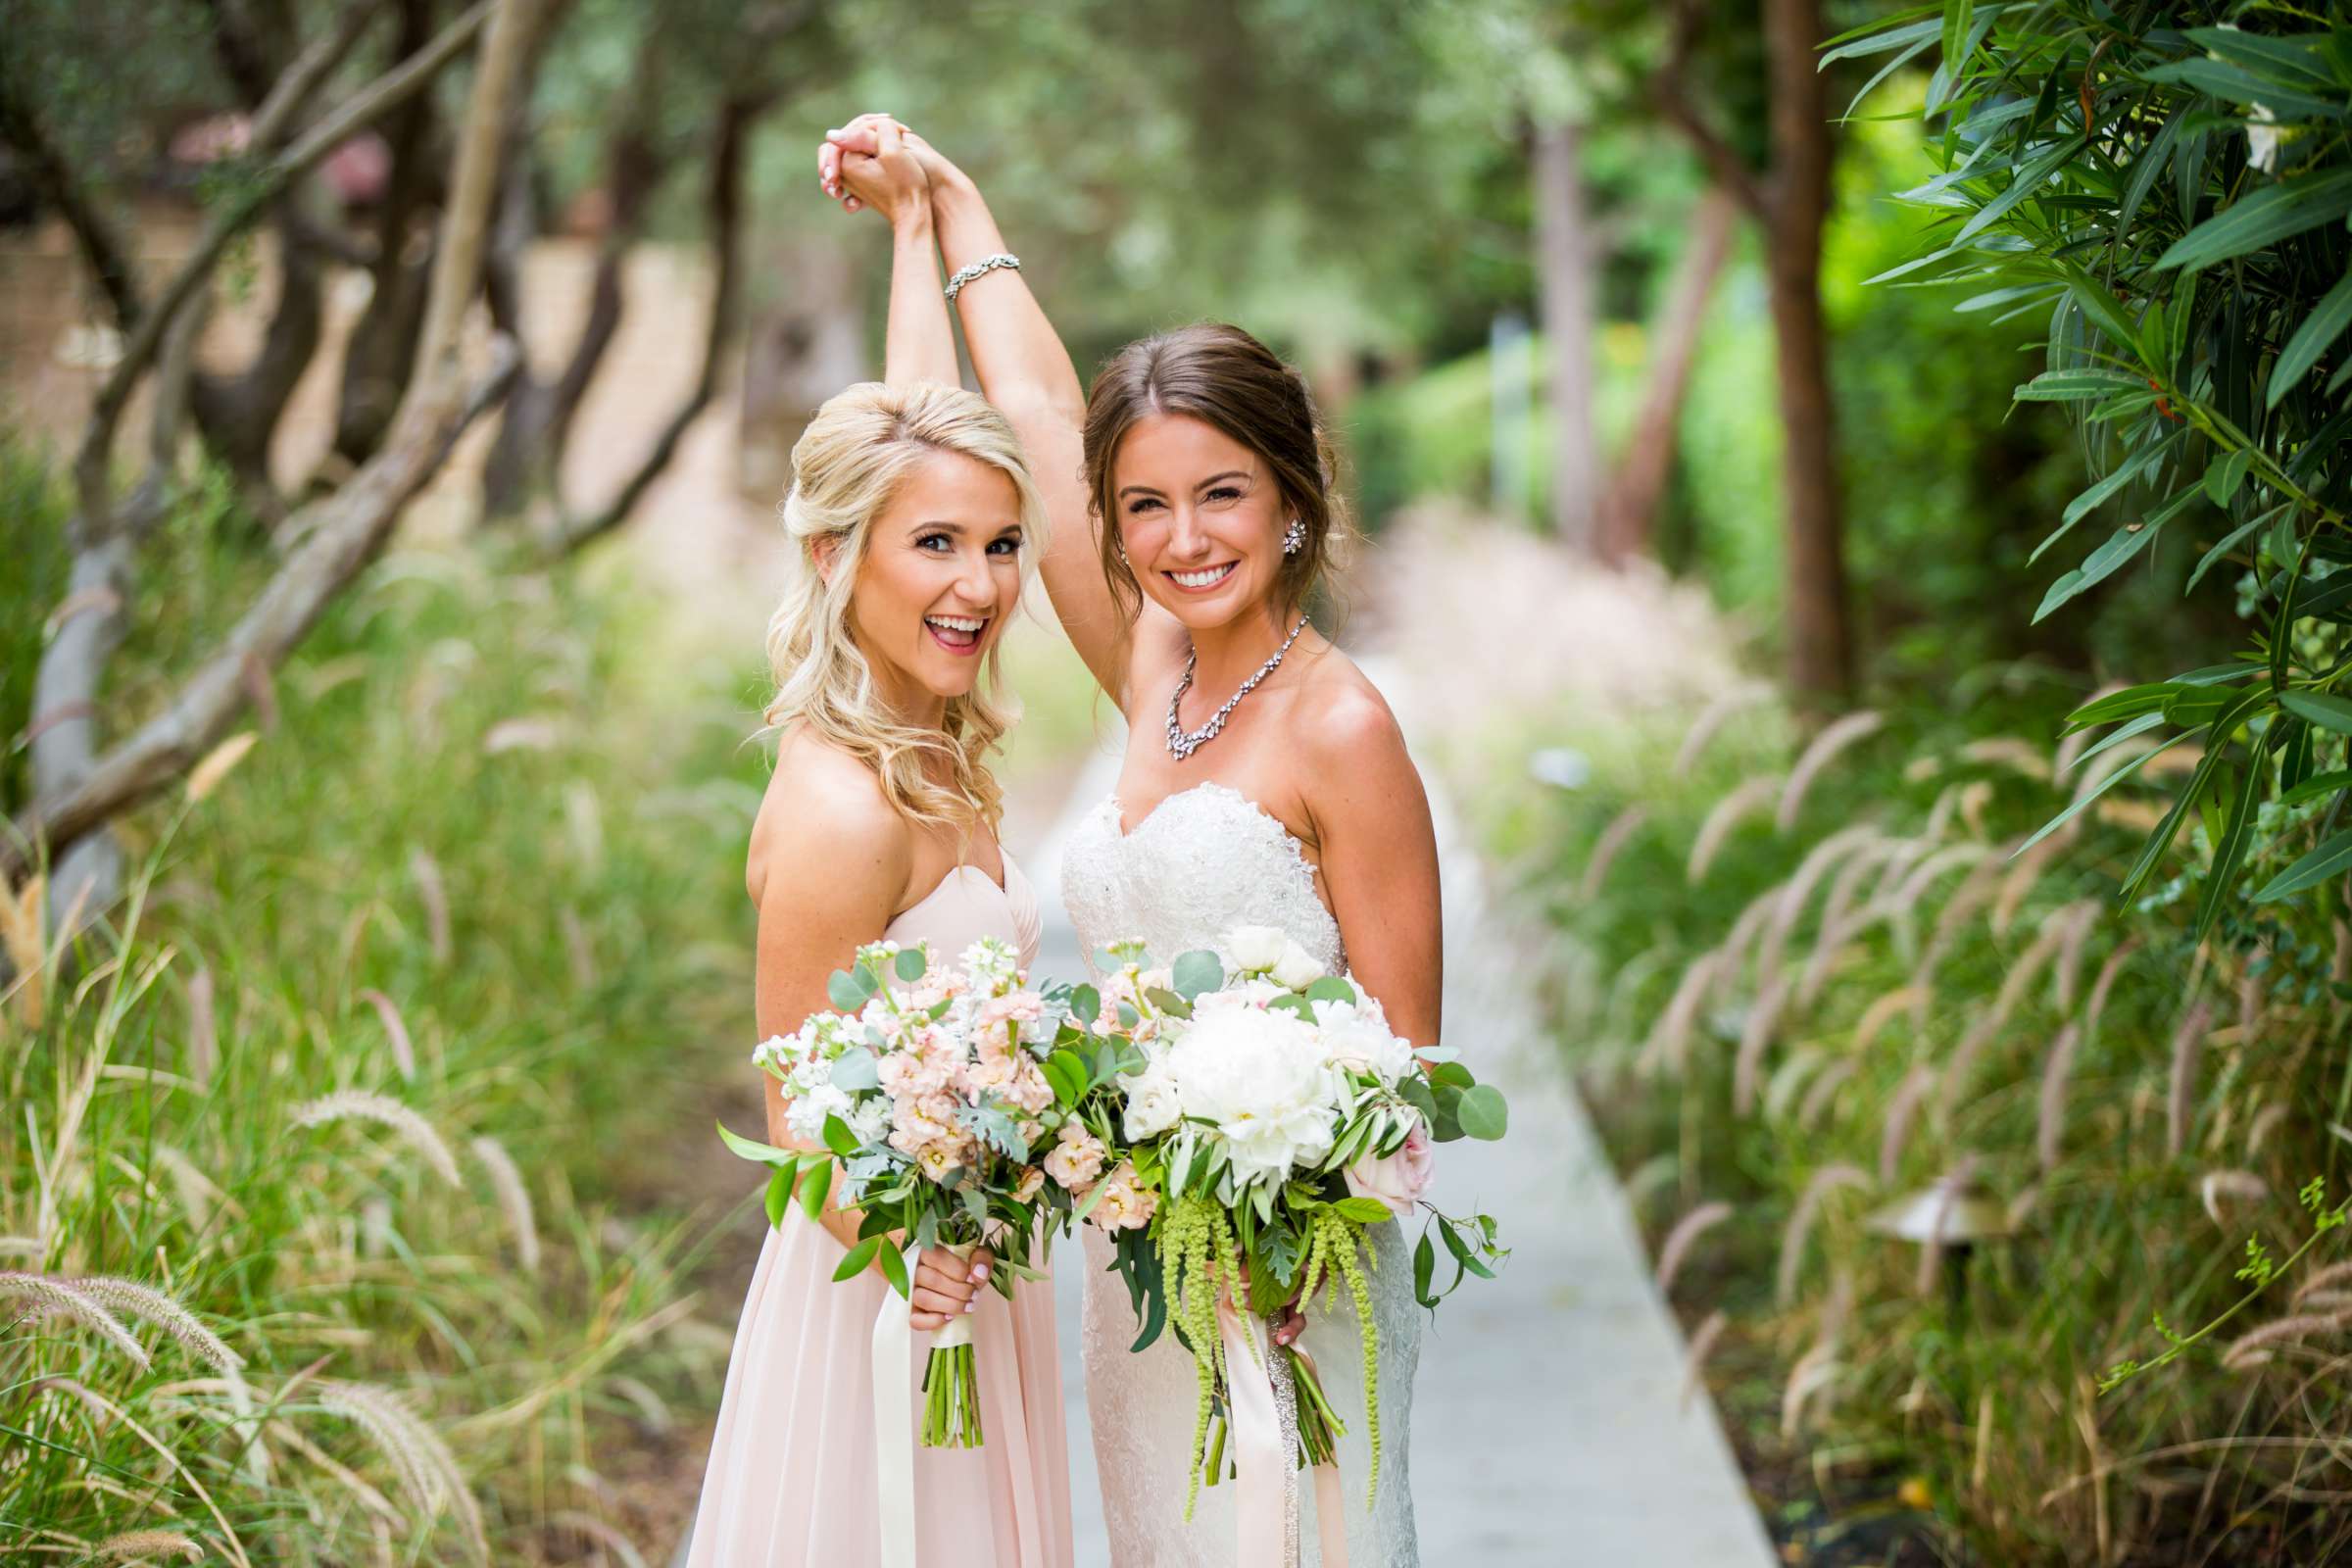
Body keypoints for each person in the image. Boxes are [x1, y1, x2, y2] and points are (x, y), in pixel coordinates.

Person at [820, 114, 1443, 1568]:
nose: (1182, 538)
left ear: (1293, 500)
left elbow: (1407, 1053)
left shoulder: (1342, 728)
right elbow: (1040, 415)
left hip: (1297, 1271)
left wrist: (1308, 1230)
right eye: (1145, 505)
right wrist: (955, 203)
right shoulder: (1159, 666)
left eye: (1222, 493)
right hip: (1141, 1267)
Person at [685, 122, 1072, 1568]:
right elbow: (796, 1121)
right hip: (890, 1303)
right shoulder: (849, 804)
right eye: (935, 548)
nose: (980, 583)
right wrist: (935, 1230)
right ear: (836, 556)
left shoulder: (924, 725)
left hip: (971, 1276)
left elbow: (919, 432)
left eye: (1001, 542)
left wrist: (914, 225)